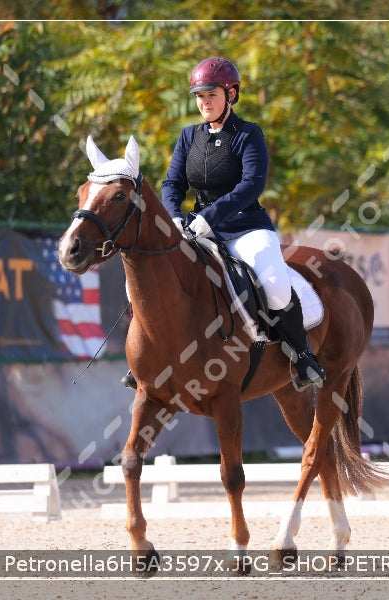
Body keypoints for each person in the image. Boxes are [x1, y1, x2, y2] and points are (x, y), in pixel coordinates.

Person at [121, 57, 326, 391]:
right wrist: (174, 218)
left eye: (211, 95)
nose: (204, 102)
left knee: (274, 286)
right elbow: (173, 183)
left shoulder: (248, 134)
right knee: (151, 278)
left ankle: (302, 355)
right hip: (195, 229)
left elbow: (251, 185)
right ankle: (152, 357)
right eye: (199, 96)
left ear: (231, 94)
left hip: (246, 227)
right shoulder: (188, 137)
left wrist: (208, 217)